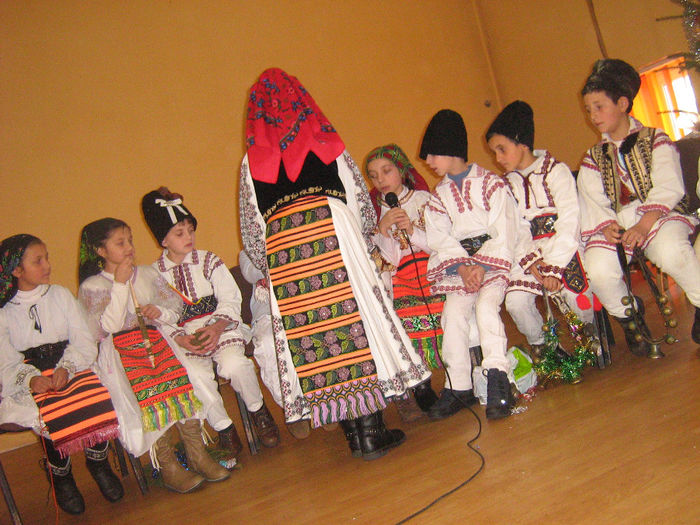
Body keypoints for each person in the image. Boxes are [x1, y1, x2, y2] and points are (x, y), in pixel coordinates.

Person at [239, 68, 431, 460]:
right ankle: (372, 430)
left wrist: (273, 264)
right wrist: (362, 244)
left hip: (284, 249)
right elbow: (359, 200)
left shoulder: (250, 163)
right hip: (333, 232)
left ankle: (353, 435)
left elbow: (252, 228)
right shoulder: (325, 140)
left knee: (315, 336)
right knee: (357, 320)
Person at [78, 218, 230, 493]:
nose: (129, 247)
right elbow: (106, 327)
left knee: (185, 382)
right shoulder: (93, 286)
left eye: (130, 240)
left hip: (157, 343)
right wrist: (120, 285)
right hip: (122, 354)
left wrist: (159, 312)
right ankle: (167, 464)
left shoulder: (147, 273)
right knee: (148, 396)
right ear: (101, 251)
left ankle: (197, 454)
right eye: (120, 243)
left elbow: (174, 309)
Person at [142, 188, 280, 450]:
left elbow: (230, 298)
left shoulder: (208, 260)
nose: (188, 237)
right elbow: (161, 318)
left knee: (235, 365)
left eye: (190, 230)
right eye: (179, 233)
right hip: (185, 338)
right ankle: (224, 428)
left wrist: (217, 327)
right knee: (195, 376)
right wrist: (180, 339)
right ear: (164, 240)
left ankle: (258, 411)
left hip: (221, 327)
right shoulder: (154, 275)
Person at [577, 58, 700, 353]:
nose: (593, 116)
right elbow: (591, 199)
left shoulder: (655, 139)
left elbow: (669, 185)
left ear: (622, 104)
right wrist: (607, 226)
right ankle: (630, 317)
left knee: (671, 251)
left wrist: (645, 224)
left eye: (599, 107)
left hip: (660, 215)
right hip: (618, 224)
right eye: (589, 109)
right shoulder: (593, 157)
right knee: (597, 267)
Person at [0, 234, 123, 515]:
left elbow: (82, 339)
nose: (47, 265)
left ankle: (98, 460)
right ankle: (61, 473)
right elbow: (5, 360)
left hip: (68, 365)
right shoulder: (4, 313)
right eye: (38, 261)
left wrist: (67, 367)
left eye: (47, 258)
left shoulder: (60, 295)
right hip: (31, 373)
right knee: (47, 411)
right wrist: (30, 378)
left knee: (94, 394)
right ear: (16, 270)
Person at [421, 109, 519, 420]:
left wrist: (482, 266)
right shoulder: (438, 197)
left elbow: (505, 227)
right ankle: (458, 386)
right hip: (462, 271)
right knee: (452, 315)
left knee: (486, 308)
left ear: (450, 148)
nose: (428, 162)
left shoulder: (491, 184)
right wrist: (463, 268)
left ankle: (498, 379)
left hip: (493, 265)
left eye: (433, 154)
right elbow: (440, 237)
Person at [486, 100, 593, 358]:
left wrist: (555, 265)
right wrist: (530, 259)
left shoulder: (556, 172)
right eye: (494, 152)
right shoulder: (506, 185)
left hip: (563, 247)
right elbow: (513, 227)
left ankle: (589, 337)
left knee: (576, 297)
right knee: (516, 302)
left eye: (502, 149)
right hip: (529, 252)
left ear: (522, 143)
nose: (498, 159)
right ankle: (547, 348)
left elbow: (570, 219)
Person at [364, 143, 451, 417]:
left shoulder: (423, 200)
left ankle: (457, 377)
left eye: (386, 171)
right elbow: (385, 261)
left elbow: (438, 244)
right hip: (398, 279)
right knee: (399, 321)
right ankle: (420, 386)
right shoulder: (372, 212)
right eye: (374, 176)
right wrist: (382, 229)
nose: (381, 180)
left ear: (401, 170)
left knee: (448, 311)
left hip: (429, 269)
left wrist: (411, 229)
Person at [238, 248, 312, 439]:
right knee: (268, 344)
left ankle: (322, 402)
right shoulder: (247, 252)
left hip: (302, 303)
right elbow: (251, 273)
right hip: (267, 313)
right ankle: (293, 409)